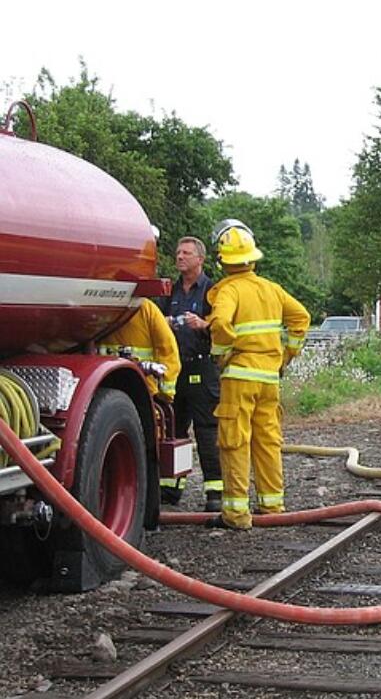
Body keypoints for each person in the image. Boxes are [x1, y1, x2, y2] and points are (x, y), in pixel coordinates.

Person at [206, 220, 310, 530]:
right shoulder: (271, 289)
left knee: (234, 441)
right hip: (269, 379)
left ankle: (237, 514)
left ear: (221, 259)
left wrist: (221, 355)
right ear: (252, 257)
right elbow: (301, 318)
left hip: (239, 377)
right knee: (267, 440)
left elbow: (221, 325)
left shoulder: (228, 291)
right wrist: (286, 356)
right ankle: (272, 505)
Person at [160, 235, 223, 513]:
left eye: (186, 253)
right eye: (178, 252)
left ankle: (215, 493)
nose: (180, 257)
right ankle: (171, 490)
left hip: (202, 367)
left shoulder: (213, 291)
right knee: (175, 431)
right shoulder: (169, 292)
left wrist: (204, 324)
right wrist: (164, 324)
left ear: (200, 258)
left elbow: (224, 326)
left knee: (206, 431)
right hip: (176, 368)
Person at [97, 298, 181, 403]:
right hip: (144, 388)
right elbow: (168, 350)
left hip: (106, 385)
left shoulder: (98, 308)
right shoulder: (146, 309)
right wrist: (165, 394)